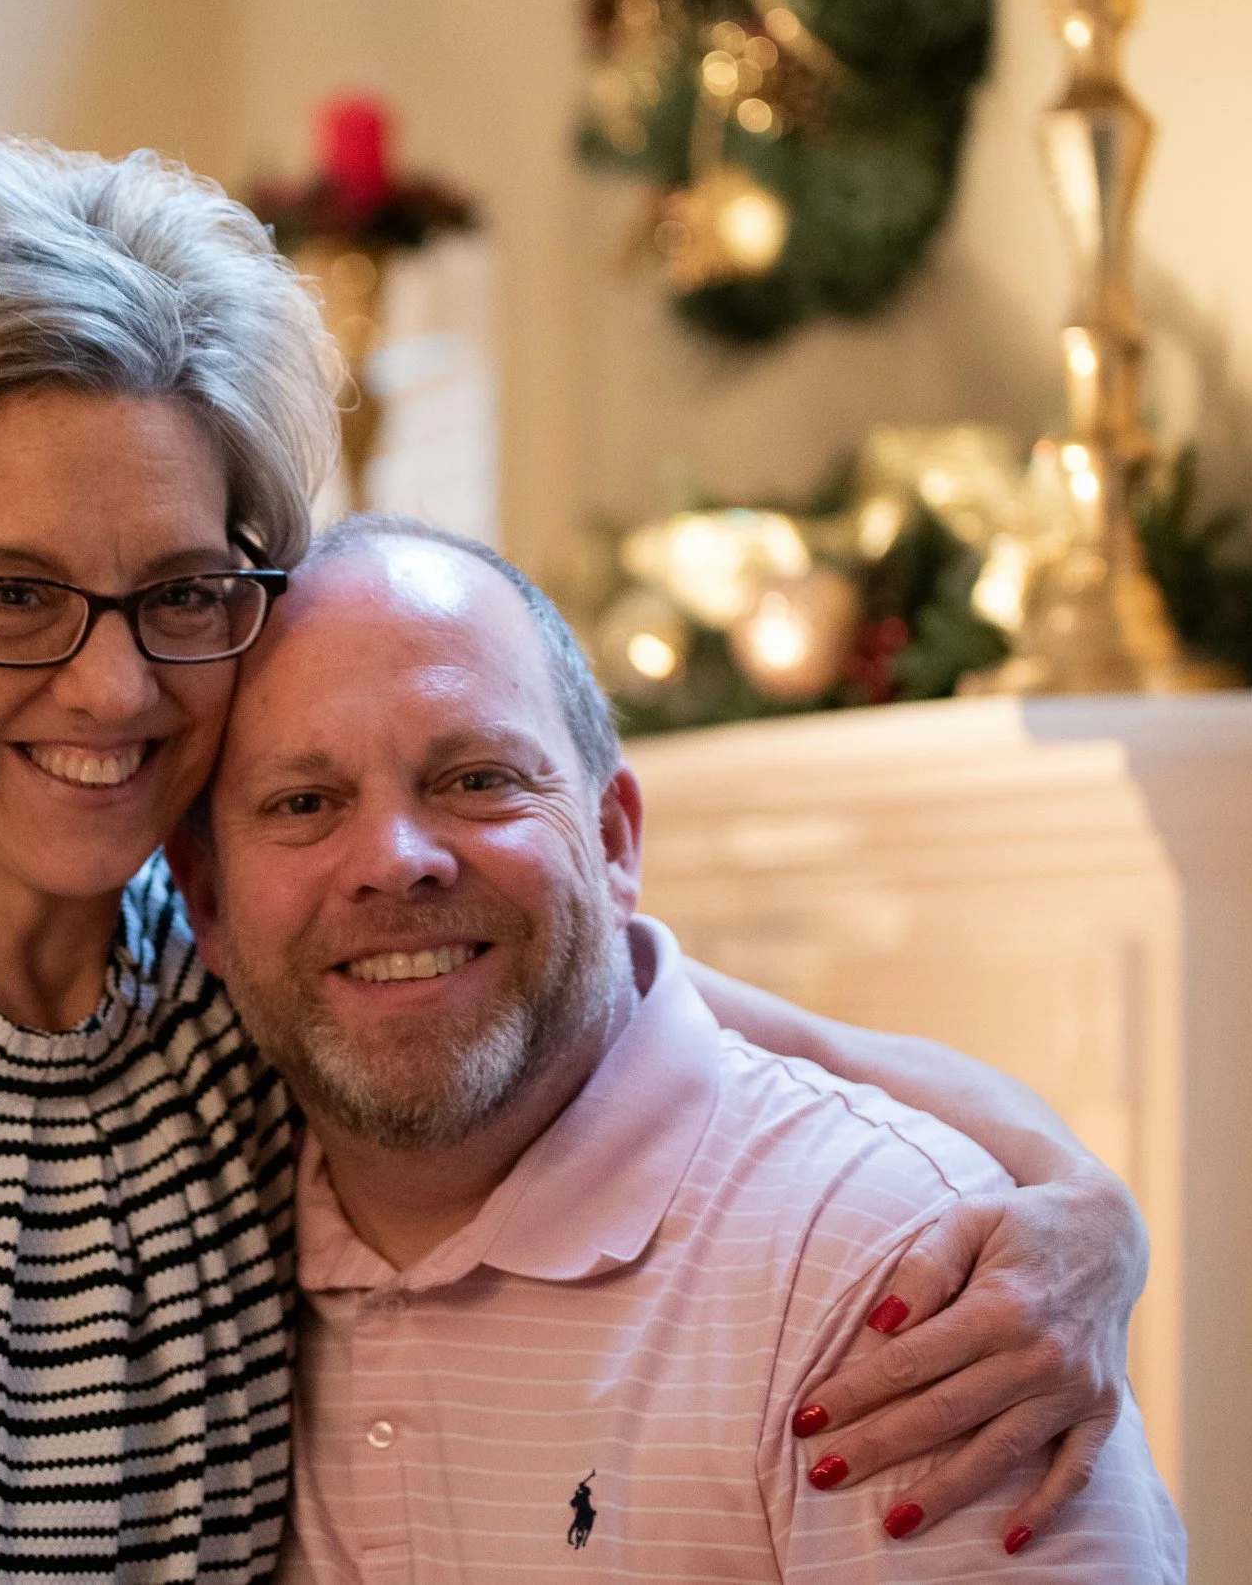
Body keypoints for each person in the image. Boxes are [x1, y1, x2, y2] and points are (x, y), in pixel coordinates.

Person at [0, 139, 1146, 1584]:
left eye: (184, 593)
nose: (112, 681)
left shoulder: (248, 965)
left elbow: (687, 1028)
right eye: (13, 595)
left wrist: (1083, 1220)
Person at [169, 513, 1185, 1580]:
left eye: (476, 778)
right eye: (302, 801)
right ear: (206, 903)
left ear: (612, 840)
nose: (395, 858)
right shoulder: (194, 1207)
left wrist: (1077, 1189)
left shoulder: (905, 1280)